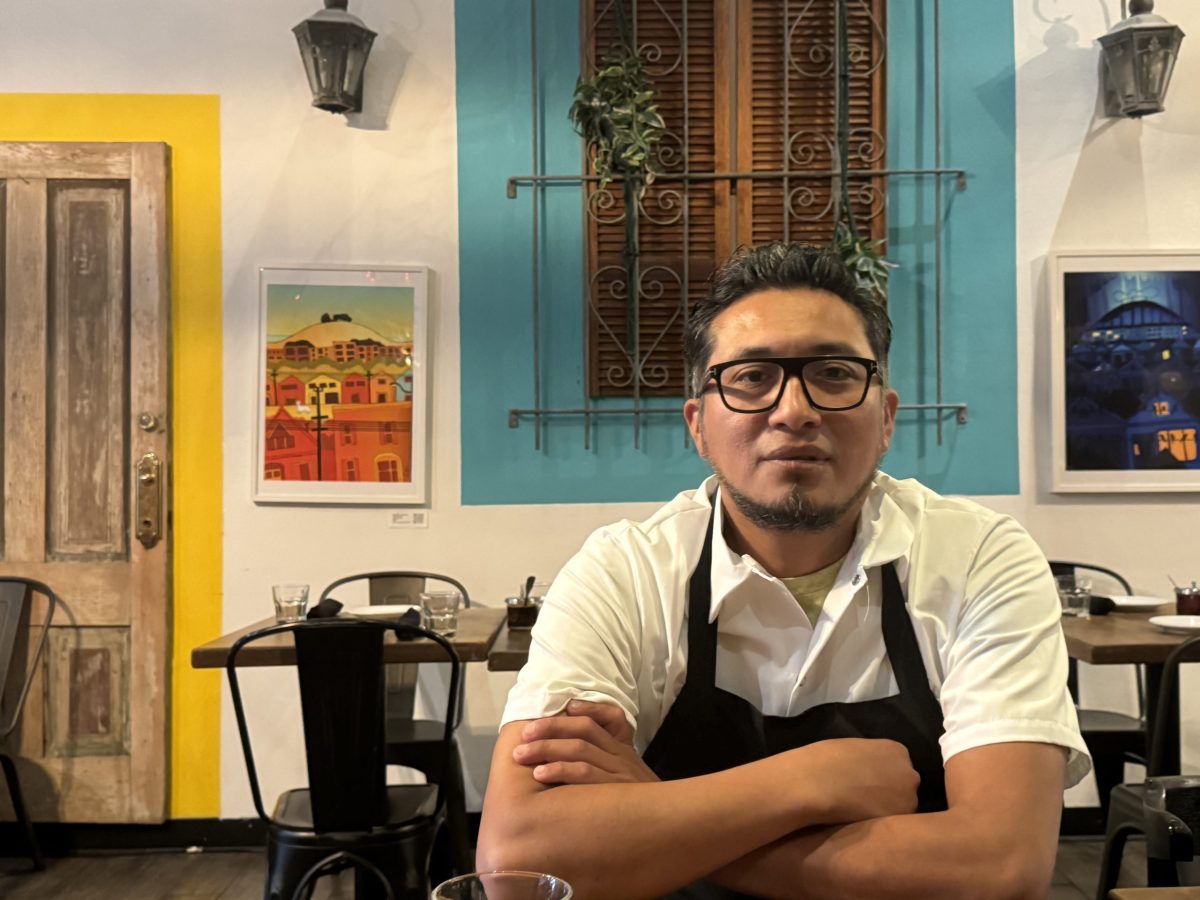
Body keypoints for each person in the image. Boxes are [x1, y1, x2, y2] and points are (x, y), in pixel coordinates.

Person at [477, 242, 1090, 899]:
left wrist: (659, 815)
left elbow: (1001, 865)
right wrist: (814, 778)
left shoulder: (978, 558)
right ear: (698, 426)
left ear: (885, 418)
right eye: (750, 378)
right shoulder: (625, 570)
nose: (793, 409)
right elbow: (520, 858)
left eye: (832, 373)